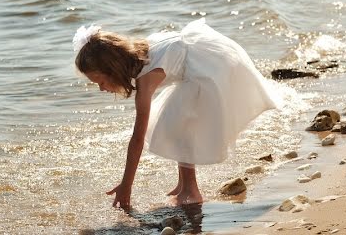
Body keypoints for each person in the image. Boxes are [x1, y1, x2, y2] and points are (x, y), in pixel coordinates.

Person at [73, 18, 278, 208]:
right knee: (175, 120)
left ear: (113, 69)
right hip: (212, 58)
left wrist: (126, 185)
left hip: (214, 68)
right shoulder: (141, 51)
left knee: (177, 122)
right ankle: (184, 185)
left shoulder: (147, 79)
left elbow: (137, 139)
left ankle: (191, 191)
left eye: (100, 82)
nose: (101, 89)